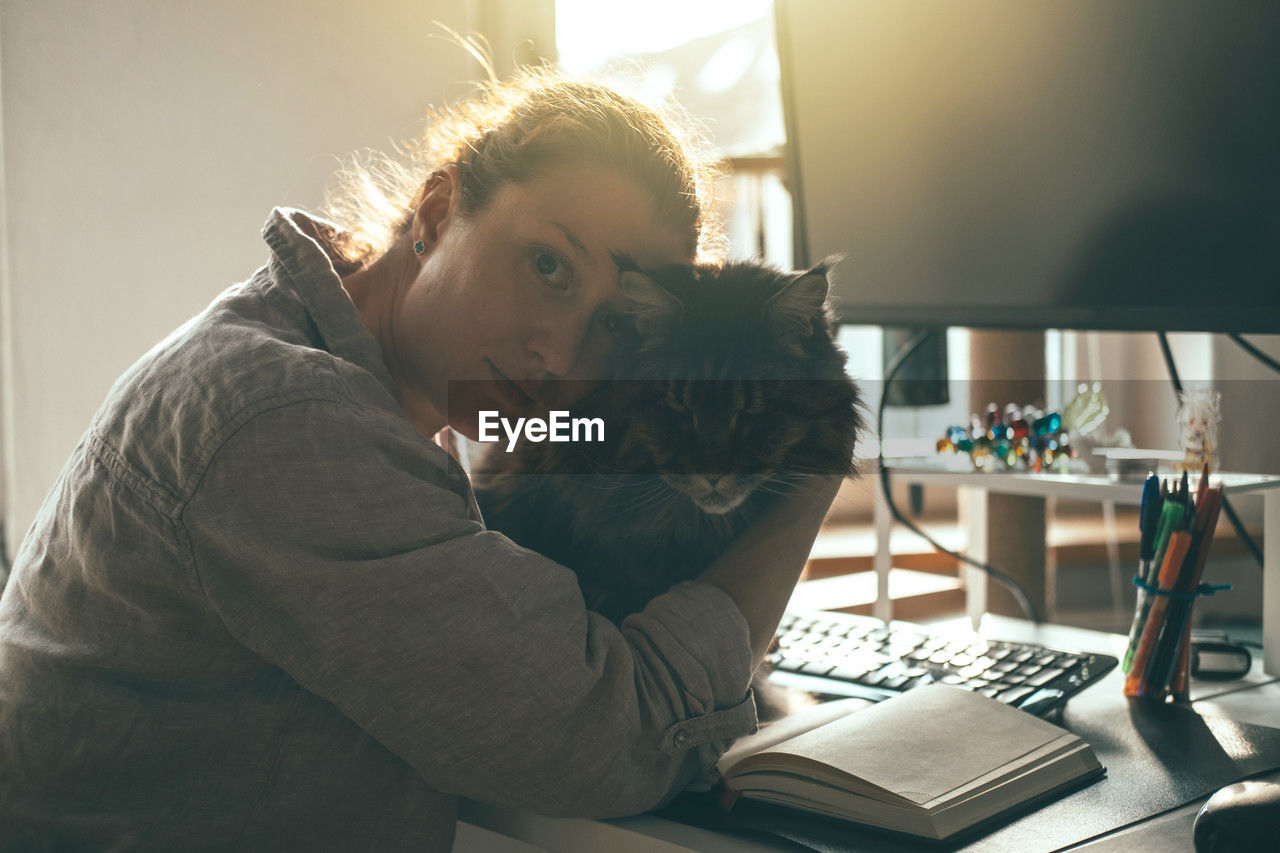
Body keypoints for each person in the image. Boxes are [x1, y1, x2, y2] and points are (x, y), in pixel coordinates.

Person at [0, 67, 842, 849]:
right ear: (437, 213)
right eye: (548, 265)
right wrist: (814, 464)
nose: (562, 353)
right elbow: (609, 739)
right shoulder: (292, 422)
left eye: (613, 323)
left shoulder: (338, 368)